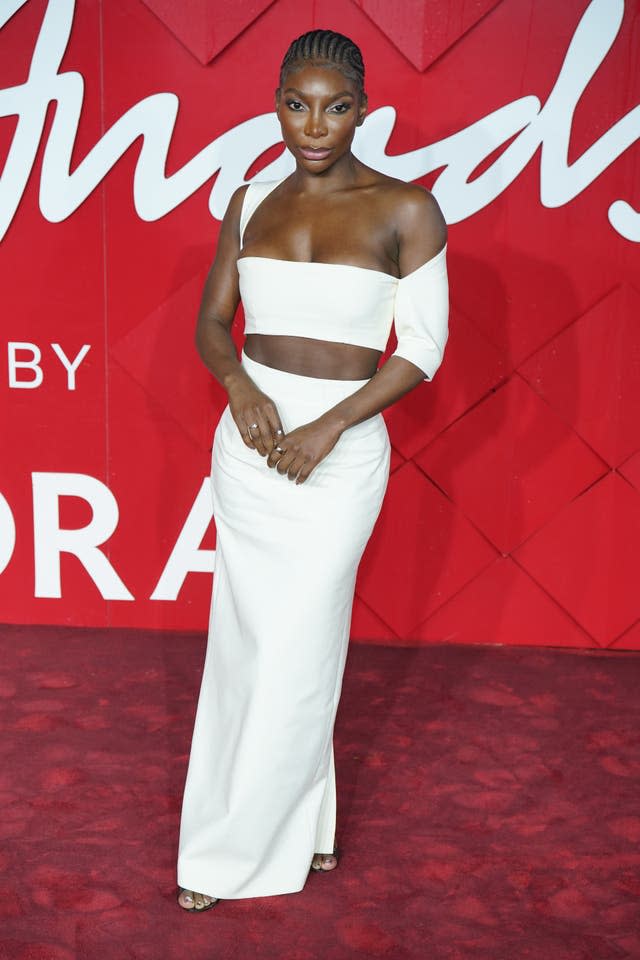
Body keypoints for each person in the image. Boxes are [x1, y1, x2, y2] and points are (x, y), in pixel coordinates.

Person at [176, 28, 449, 912]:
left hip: (338, 459)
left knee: (296, 650)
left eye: (335, 107)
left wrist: (330, 425)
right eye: (297, 104)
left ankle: (232, 859)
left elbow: (424, 349)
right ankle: (308, 825)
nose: (315, 125)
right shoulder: (251, 198)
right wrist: (237, 388)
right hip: (249, 453)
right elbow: (214, 323)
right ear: (277, 104)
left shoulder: (407, 209)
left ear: (364, 109)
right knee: (249, 649)